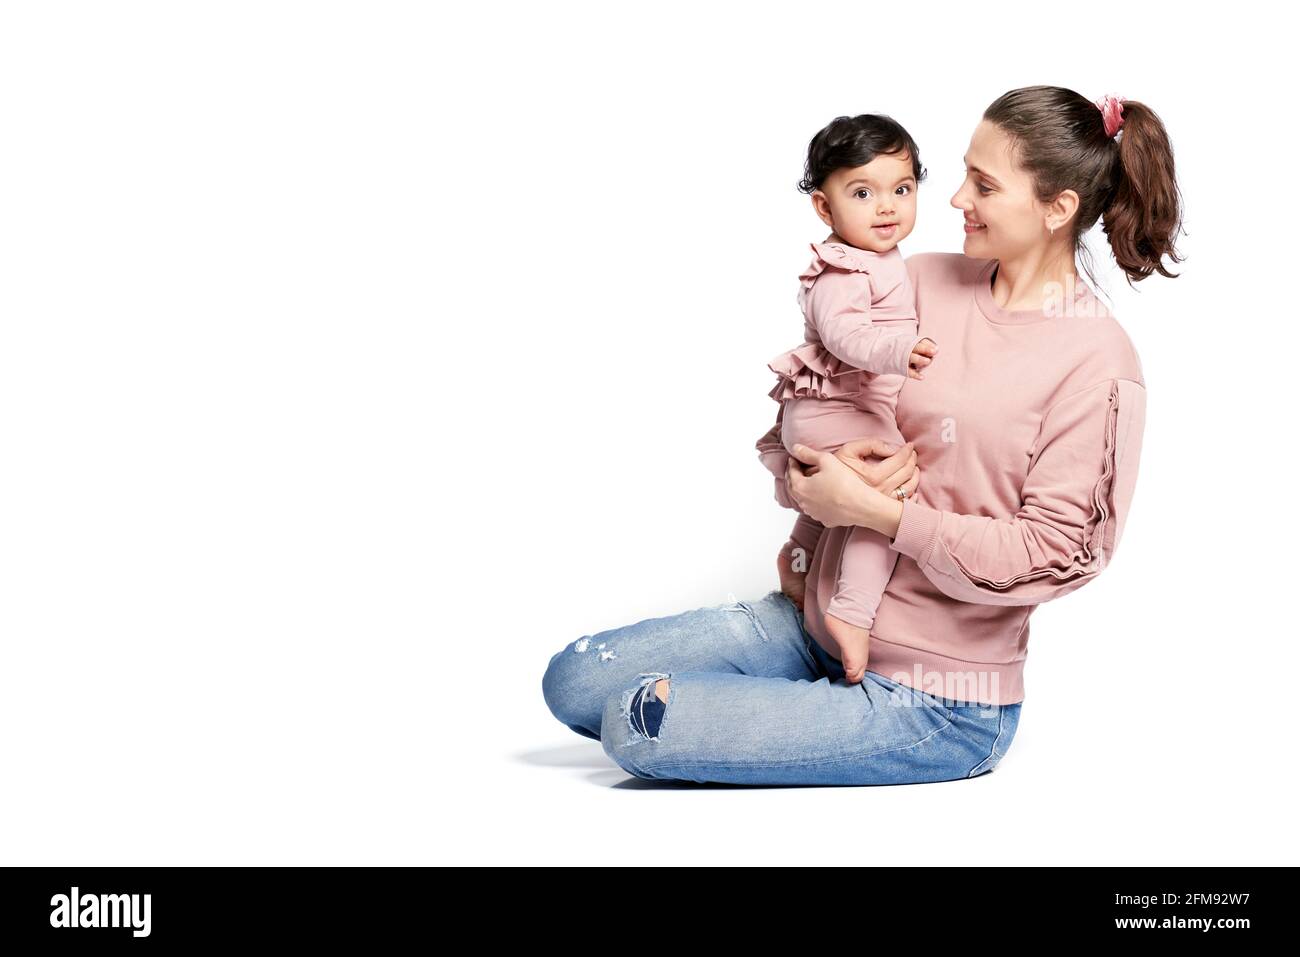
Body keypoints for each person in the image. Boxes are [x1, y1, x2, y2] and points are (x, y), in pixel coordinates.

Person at [541, 86, 1183, 786]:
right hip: (811, 624)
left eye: (985, 184)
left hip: (938, 697)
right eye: (963, 172)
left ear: (1057, 209)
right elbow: (811, 404)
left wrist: (880, 514)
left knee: (640, 723)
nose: (954, 198)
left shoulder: (1097, 364)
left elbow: (1058, 554)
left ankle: (801, 721)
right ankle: (795, 704)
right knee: (572, 683)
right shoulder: (918, 279)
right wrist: (811, 475)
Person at [755, 113, 938, 687]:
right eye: (863, 193)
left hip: (833, 411)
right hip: (835, 409)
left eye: (901, 190)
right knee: (890, 494)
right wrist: (898, 350)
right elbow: (844, 337)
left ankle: (800, 556)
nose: (887, 207)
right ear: (824, 208)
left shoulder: (878, 258)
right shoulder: (843, 269)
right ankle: (852, 614)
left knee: (844, 495)